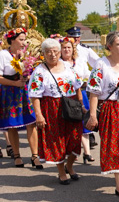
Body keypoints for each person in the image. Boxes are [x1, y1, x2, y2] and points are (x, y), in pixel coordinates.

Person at [86, 32, 119, 202]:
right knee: (116, 148)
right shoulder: (102, 64)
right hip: (110, 109)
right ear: (109, 46)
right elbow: (93, 92)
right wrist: (93, 115)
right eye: (118, 44)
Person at [27, 39, 83, 184]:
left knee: (75, 139)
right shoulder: (39, 71)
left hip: (71, 105)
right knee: (57, 141)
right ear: (43, 54)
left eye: (55, 51)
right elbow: (35, 95)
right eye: (48, 52)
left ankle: (69, 166)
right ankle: (61, 171)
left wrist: (81, 104)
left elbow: (77, 86)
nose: (52, 55)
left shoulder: (68, 66)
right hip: (52, 108)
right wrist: (39, 115)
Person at [0, 28, 41, 169]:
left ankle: (35, 155)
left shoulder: (27, 54)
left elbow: (33, 70)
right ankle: (17, 156)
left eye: (25, 39)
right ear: (12, 40)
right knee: (12, 125)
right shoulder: (3, 55)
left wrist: (28, 76)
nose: (24, 42)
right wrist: (15, 83)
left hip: (25, 91)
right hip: (10, 91)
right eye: (21, 39)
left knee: (31, 122)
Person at [59, 36, 94, 164]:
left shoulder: (79, 62)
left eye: (69, 47)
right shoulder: (58, 64)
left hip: (81, 94)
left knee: (82, 125)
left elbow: (87, 76)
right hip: (64, 98)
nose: (67, 50)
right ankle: (69, 153)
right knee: (69, 127)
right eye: (64, 48)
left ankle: (87, 152)